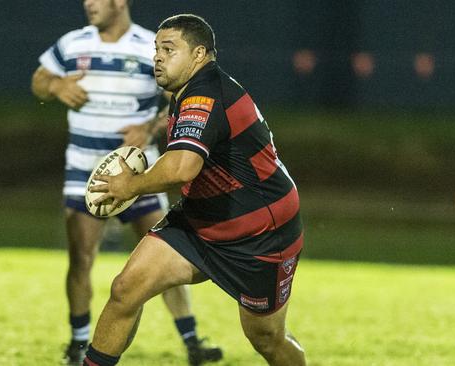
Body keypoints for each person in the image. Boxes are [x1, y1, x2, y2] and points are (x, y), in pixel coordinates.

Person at [84, 14, 306, 366]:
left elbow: (182, 167)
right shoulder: (187, 91)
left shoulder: (204, 95)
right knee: (126, 290)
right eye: (156, 49)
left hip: (261, 234)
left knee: (266, 338)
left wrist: (130, 186)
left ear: (199, 54)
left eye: (169, 49)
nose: (157, 57)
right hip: (201, 222)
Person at [30, 1, 222, 365]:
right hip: (84, 171)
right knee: (80, 258)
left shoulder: (152, 47)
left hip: (139, 173)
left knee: (169, 254)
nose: (89, 5)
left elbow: (177, 103)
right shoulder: (73, 43)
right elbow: (38, 80)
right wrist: (55, 85)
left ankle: (193, 341)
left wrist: (148, 128)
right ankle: (78, 342)